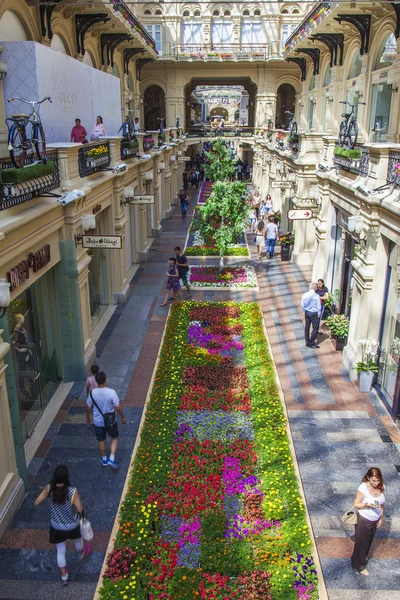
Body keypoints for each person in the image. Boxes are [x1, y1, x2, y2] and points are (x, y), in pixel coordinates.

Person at [34, 465, 87, 586]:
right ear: (67, 478)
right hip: (72, 525)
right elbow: (79, 509)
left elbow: (36, 502)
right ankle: (82, 553)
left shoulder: (49, 489)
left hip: (57, 526)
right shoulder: (72, 491)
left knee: (60, 551)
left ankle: (64, 577)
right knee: (78, 540)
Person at [86, 371, 126, 469]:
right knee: (114, 437)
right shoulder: (111, 392)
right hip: (110, 421)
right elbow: (118, 408)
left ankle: (104, 459)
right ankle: (112, 458)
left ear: (96, 381)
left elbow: (88, 408)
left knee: (101, 440)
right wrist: (122, 417)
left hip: (97, 421)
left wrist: (88, 418)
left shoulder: (92, 393)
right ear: (105, 380)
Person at [351, 467, 385, 576]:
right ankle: (359, 565)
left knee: (369, 541)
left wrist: (381, 518)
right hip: (364, 519)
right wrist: (367, 504)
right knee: (361, 543)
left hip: (375, 519)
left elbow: (382, 504)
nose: (376, 483)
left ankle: (359, 558)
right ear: (368, 478)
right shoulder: (363, 487)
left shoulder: (381, 486)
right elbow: (356, 504)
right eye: (373, 480)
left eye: (378, 480)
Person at [301, 283, 321, 349]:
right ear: (315, 288)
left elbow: (302, 305)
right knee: (315, 328)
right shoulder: (316, 296)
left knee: (307, 327)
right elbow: (318, 306)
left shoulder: (305, 295)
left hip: (307, 312)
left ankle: (307, 342)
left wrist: (305, 310)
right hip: (314, 313)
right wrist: (319, 314)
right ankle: (312, 342)